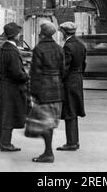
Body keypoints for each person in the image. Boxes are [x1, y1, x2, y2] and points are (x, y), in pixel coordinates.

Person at [30, 21, 64, 163]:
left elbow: (36, 72)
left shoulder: (39, 49)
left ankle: (48, 152)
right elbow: (63, 70)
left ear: (42, 34)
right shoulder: (58, 48)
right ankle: (47, 151)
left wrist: (34, 91)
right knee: (51, 120)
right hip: (56, 88)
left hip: (44, 87)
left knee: (45, 121)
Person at [0, 22, 29, 151]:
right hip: (12, 87)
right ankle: (5, 143)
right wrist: (26, 77)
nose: (19, 35)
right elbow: (16, 72)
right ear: (15, 36)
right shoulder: (12, 51)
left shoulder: (3, 49)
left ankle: (2, 140)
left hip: (4, 84)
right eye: (18, 33)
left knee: (5, 113)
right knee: (10, 114)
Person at [57, 21, 86, 151]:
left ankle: (71, 143)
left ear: (64, 32)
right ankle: (74, 141)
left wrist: (60, 79)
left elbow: (65, 67)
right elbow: (84, 64)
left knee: (70, 112)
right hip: (78, 79)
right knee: (73, 111)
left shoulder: (68, 46)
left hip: (69, 81)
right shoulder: (80, 44)